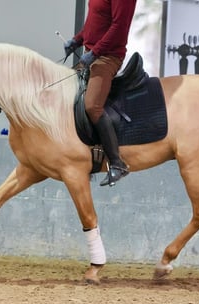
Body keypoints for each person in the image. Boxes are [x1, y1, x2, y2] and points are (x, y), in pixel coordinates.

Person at [64, 0, 137, 187]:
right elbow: (94, 21)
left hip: (108, 57)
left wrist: (95, 52)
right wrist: (77, 39)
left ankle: (117, 163)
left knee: (92, 106)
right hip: (94, 53)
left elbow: (119, 27)